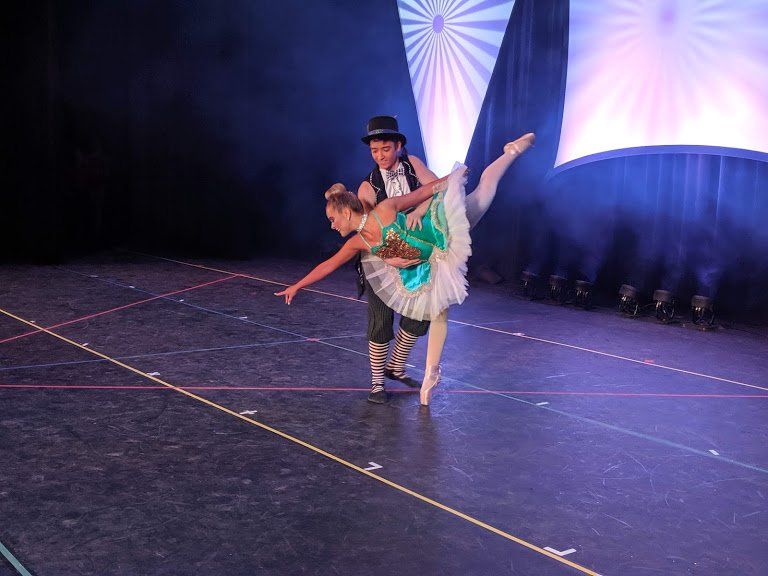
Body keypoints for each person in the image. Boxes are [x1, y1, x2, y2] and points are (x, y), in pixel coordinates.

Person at [276, 133, 535, 405]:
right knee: (436, 311)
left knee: (484, 190)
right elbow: (329, 264)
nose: (332, 225)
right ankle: (428, 376)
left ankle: (511, 152)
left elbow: (423, 192)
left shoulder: (385, 209)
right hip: (431, 260)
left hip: (443, 227)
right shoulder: (358, 240)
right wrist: (298, 285)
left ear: (346, 213)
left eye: (332, 219)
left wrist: (453, 179)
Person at [356, 115, 439, 404]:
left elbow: (437, 188)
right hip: (380, 258)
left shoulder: (413, 164)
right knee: (381, 319)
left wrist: (420, 210)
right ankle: (377, 383)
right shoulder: (368, 186)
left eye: (386, 149)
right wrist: (389, 258)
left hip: (415, 252)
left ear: (399, 146)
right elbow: (366, 231)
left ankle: (396, 366)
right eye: (375, 150)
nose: (380, 155)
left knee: (420, 314)